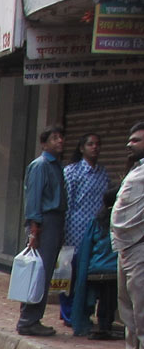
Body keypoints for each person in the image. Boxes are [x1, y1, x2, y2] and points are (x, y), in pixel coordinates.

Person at [102, 121, 144, 349]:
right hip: (124, 247)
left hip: (140, 247)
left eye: (136, 140)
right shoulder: (136, 170)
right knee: (127, 307)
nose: (130, 144)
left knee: (141, 309)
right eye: (130, 139)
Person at [18, 125, 68, 336]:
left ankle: (33, 318)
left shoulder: (56, 166)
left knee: (44, 274)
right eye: (54, 138)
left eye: (61, 137)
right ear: (44, 143)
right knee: (38, 273)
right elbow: (34, 199)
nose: (60, 141)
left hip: (55, 222)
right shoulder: (40, 166)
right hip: (44, 224)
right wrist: (34, 230)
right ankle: (28, 320)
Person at [61, 133, 110, 328]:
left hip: (96, 233)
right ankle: (68, 314)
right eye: (90, 144)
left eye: (98, 144)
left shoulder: (103, 173)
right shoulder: (71, 172)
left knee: (88, 276)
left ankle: (83, 312)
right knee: (70, 275)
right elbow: (66, 203)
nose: (94, 147)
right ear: (82, 148)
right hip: (74, 232)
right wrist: (63, 233)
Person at [71, 191, 119, 339]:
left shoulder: (96, 220)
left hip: (94, 268)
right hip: (113, 269)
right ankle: (105, 326)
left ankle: (102, 324)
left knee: (104, 294)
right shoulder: (121, 220)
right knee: (110, 296)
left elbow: (87, 247)